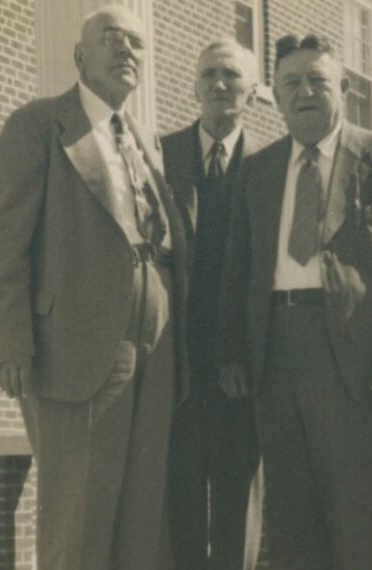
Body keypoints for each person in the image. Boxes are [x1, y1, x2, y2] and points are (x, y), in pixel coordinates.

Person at [0, 6, 188, 570]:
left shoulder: (145, 141)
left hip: (155, 351)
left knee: (142, 518)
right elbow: (0, 244)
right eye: (111, 39)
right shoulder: (39, 125)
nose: (127, 51)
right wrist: (12, 342)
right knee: (80, 520)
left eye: (137, 43)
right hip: (76, 350)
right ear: (79, 56)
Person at [217, 34, 372, 570]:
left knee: (356, 513)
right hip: (276, 354)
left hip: (353, 358)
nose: (305, 92)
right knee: (290, 517)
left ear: (344, 89)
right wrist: (231, 354)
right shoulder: (258, 171)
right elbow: (236, 270)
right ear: (276, 94)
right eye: (292, 83)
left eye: (318, 81)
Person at [162, 38, 262, 570]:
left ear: (251, 89)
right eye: (209, 75)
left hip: (240, 377)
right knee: (177, 515)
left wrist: (241, 355)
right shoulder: (160, 157)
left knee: (235, 517)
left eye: (231, 75)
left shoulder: (270, 167)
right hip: (174, 369)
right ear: (195, 87)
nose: (219, 85)